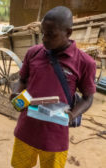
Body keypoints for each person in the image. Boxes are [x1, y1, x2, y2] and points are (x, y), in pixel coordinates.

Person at [10, 6, 96, 168]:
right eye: (43, 33)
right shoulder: (33, 53)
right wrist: (15, 93)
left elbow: (88, 98)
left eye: (51, 35)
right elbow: (22, 80)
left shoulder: (85, 63)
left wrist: (71, 115)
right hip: (26, 130)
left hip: (55, 137)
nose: (44, 39)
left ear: (68, 33)